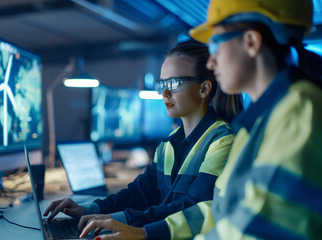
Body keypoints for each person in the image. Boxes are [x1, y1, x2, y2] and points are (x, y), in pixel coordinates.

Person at [79, 0, 322, 239]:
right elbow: (218, 210)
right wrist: (144, 233)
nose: (210, 62)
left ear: (251, 42)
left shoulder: (298, 113)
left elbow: (256, 228)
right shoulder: (262, 121)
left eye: (215, 44)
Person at [44, 43, 243, 232]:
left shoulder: (222, 141)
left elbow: (191, 210)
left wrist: (121, 220)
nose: (164, 93)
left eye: (174, 83)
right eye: (162, 84)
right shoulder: (169, 143)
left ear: (204, 89)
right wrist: (90, 209)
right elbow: (140, 193)